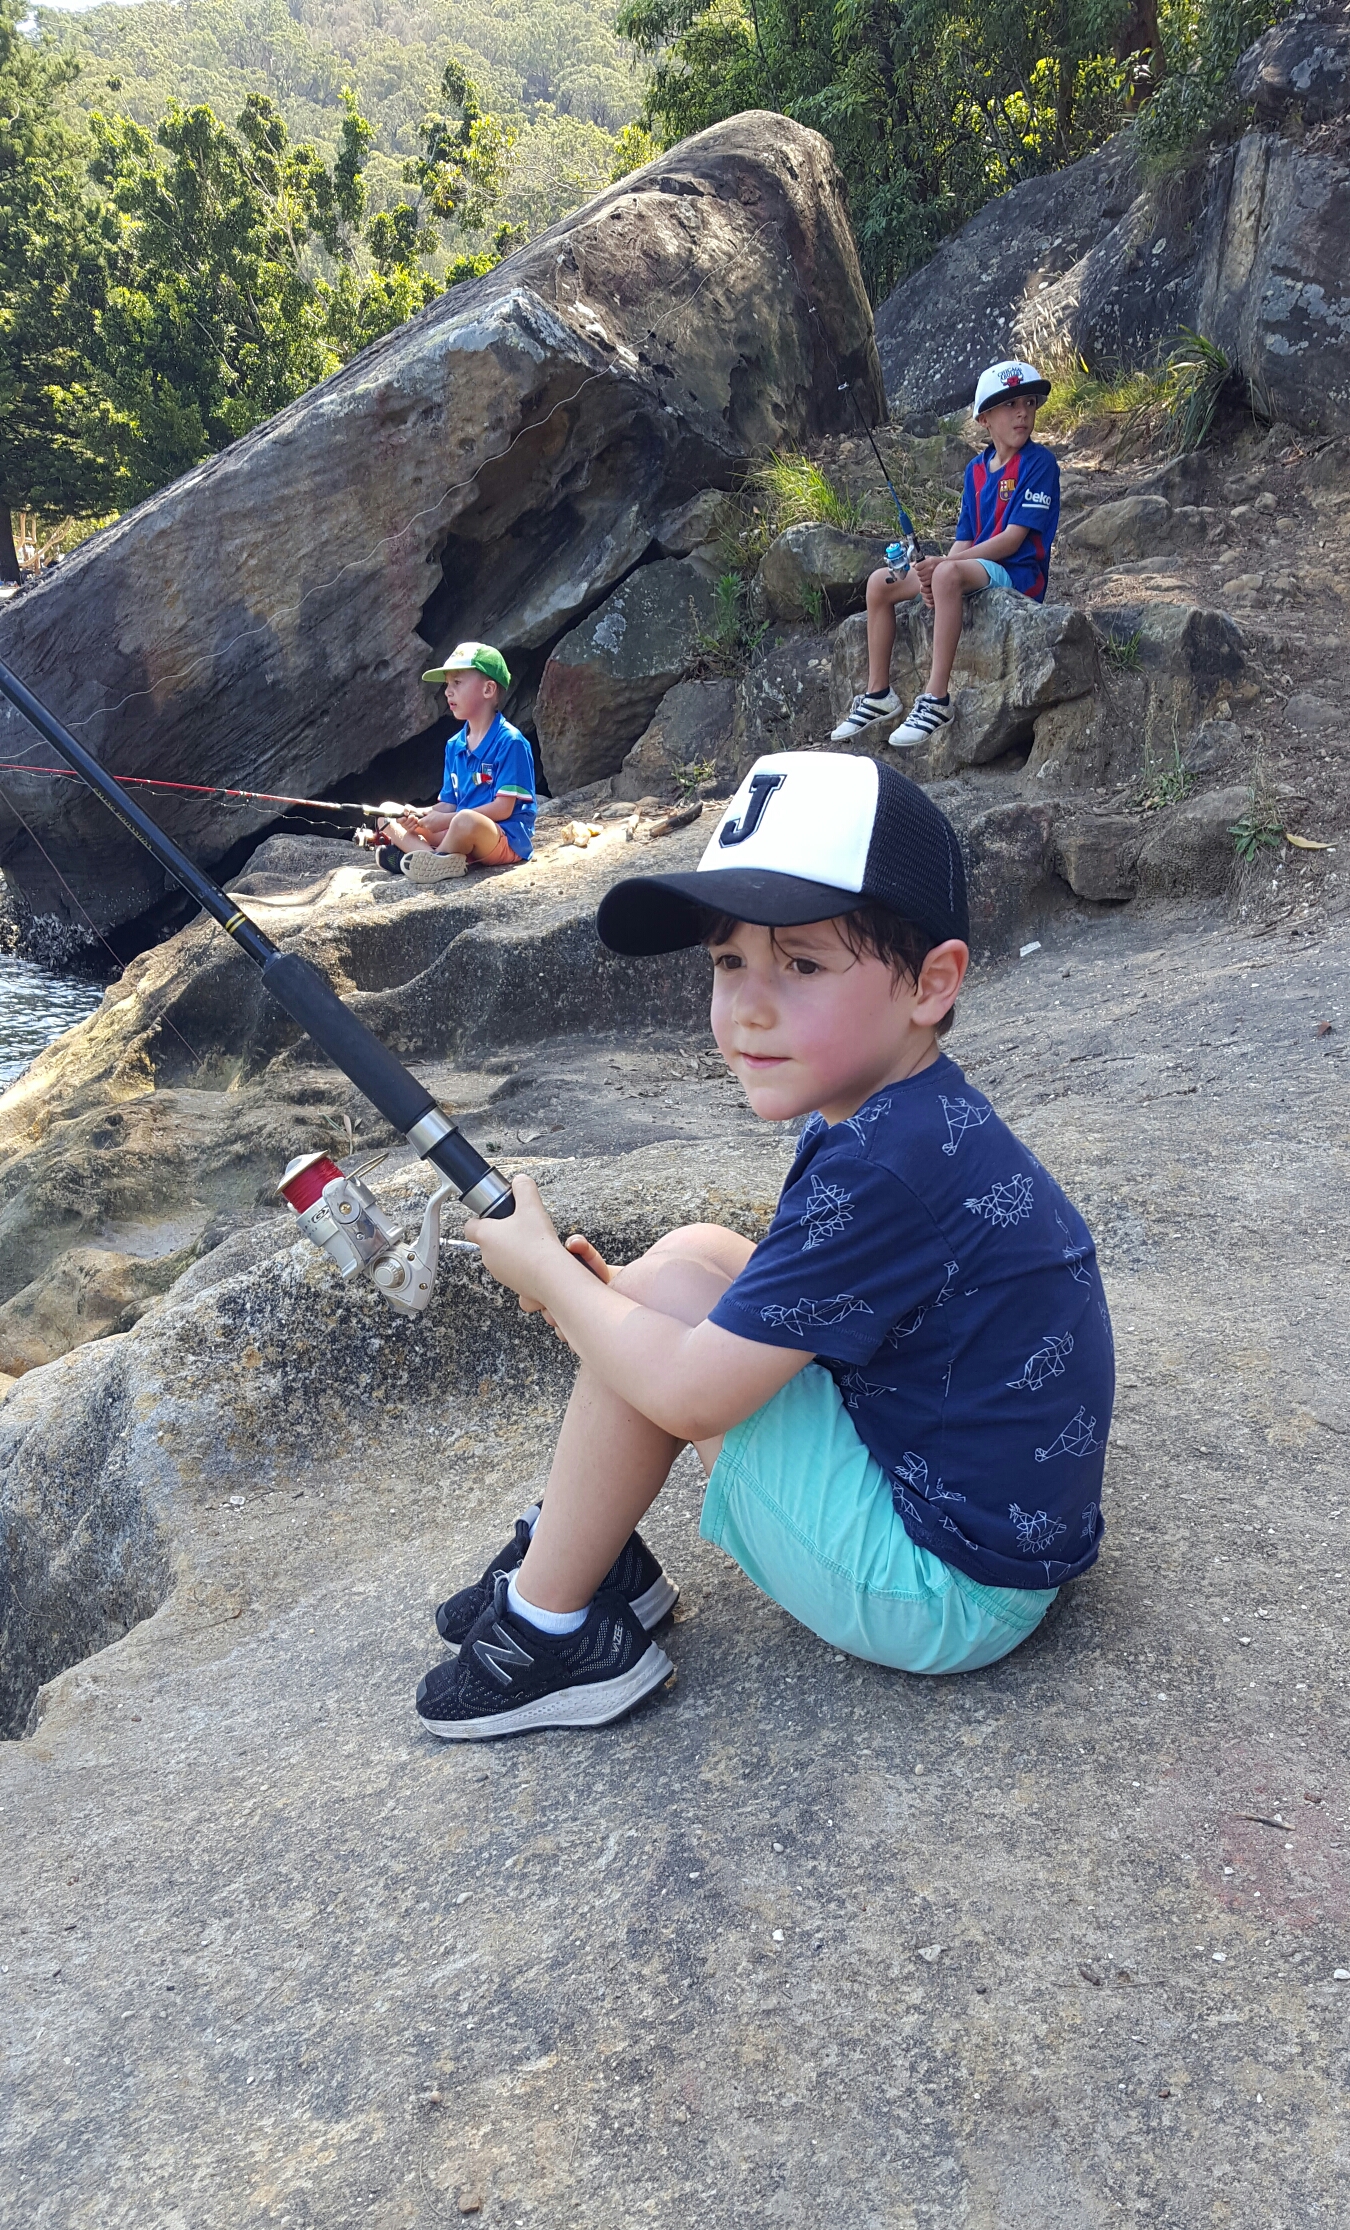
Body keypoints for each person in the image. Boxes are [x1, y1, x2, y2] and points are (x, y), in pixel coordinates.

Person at [415, 749, 1113, 1740]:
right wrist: (611, 1310)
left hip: (946, 1592)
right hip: (986, 1525)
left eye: (803, 964)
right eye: (728, 961)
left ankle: (547, 1631)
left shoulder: (883, 1166)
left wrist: (554, 1284)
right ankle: (590, 1546)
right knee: (691, 1255)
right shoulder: (902, 1116)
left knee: (661, 1321)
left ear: (931, 982)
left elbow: (693, 1393)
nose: (746, 1004)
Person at [831, 360, 1061, 753]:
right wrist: (929, 575)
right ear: (984, 419)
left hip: (1018, 576)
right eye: (1010, 405)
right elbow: (964, 540)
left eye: (1029, 403)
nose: (1022, 412)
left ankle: (936, 699)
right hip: (975, 566)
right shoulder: (976, 471)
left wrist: (945, 568)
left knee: (945, 574)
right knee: (880, 584)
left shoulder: (1040, 464)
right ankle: (879, 694)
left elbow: (1012, 541)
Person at [375, 641, 536, 883]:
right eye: (447, 684)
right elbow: (449, 804)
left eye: (457, 683)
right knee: (386, 812)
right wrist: (419, 814)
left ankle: (420, 857)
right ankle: (434, 860)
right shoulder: (454, 745)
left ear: (488, 689)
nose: (447, 692)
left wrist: (446, 820)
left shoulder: (510, 742)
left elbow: (503, 808)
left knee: (465, 820)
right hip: (457, 831)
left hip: (501, 837)